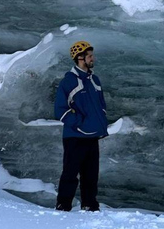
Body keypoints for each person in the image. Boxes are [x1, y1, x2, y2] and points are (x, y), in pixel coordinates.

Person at [53, 40, 109, 211]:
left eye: (92, 55)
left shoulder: (95, 80)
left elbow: (101, 105)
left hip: (92, 136)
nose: (93, 58)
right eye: (89, 56)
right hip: (75, 136)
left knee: (91, 175)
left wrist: (98, 123)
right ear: (80, 58)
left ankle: (90, 206)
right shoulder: (69, 82)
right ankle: (63, 207)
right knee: (70, 174)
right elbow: (60, 110)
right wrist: (80, 124)